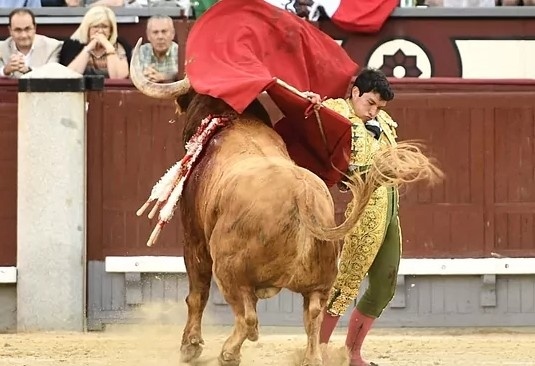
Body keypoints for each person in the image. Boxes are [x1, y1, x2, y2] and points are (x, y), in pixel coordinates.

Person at [309, 68, 399, 366]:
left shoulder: (382, 121)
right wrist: (309, 103)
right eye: (370, 103)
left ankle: (353, 354)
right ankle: (316, 353)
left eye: (379, 107)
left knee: (385, 285)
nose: (374, 112)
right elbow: (310, 112)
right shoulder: (337, 110)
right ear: (356, 93)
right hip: (360, 208)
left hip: (390, 207)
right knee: (344, 284)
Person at [59, 5, 130, 78]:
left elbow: (119, 78)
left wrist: (108, 46)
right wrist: (89, 48)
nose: (100, 31)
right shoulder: (73, 44)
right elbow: (70, 76)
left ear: (111, 31)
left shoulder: (120, 46)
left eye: (105, 26)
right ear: (87, 28)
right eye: (95, 26)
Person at [0, 8, 62, 78]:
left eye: (27, 29)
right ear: (10, 30)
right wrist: (5, 70)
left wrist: (28, 70)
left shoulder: (53, 47)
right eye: (18, 30)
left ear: (35, 28)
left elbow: (53, 74)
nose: (23, 35)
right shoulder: (2, 49)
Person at [138, 15, 179, 83]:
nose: (160, 37)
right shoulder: (140, 51)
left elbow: (186, 75)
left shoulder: (181, 52)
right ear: (148, 35)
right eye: (155, 32)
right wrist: (144, 75)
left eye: (164, 31)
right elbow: (133, 75)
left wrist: (164, 77)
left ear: (173, 34)